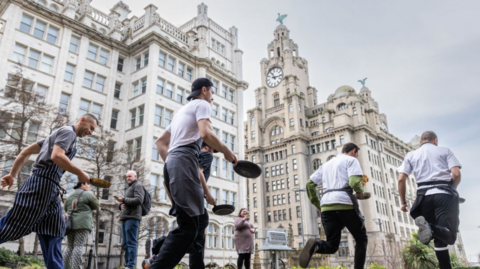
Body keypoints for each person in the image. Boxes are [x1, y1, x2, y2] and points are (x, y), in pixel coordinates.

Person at [153, 77, 237, 269]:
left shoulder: (181, 110)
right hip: (183, 163)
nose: (213, 99)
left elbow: (160, 143)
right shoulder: (201, 104)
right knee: (189, 228)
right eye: (213, 93)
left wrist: (173, 165)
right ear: (205, 90)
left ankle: (163, 251)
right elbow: (206, 134)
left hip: (173, 163)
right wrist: (226, 151)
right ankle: (157, 257)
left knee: (197, 222)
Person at [0, 114, 98, 269]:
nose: (91, 133)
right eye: (91, 128)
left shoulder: (57, 135)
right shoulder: (68, 132)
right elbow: (57, 156)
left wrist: (12, 174)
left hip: (50, 190)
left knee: (54, 230)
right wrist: (80, 173)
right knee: (14, 226)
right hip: (39, 187)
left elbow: (25, 152)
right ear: (83, 120)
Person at [143, 142, 217, 269]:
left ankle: (157, 254)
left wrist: (175, 204)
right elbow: (200, 172)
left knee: (195, 238)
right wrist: (208, 194)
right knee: (194, 237)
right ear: (207, 147)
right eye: (213, 150)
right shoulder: (205, 154)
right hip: (193, 200)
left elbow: (166, 182)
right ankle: (158, 245)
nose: (213, 153)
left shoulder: (180, 158)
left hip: (182, 198)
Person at [397, 131, 461, 269]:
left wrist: (403, 202)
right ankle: (430, 227)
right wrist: (452, 190)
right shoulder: (444, 151)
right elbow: (456, 174)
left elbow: (401, 179)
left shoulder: (411, 155)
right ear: (435, 141)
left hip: (423, 197)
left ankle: (430, 229)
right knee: (449, 236)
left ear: (421, 142)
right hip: (444, 194)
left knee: (439, 239)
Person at [300, 142, 368, 269]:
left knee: (332, 245)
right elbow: (354, 182)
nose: (357, 157)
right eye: (357, 154)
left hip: (326, 204)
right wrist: (360, 192)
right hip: (345, 202)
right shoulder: (351, 161)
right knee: (361, 239)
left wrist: (317, 203)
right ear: (354, 151)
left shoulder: (326, 165)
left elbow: (309, 184)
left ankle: (316, 245)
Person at [63, 181, 99, 269]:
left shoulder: (70, 196)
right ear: (82, 184)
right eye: (87, 184)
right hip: (82, 224)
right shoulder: (88, 194)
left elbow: (66, 208)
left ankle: (65, 267)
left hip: (70, 224)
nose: (88, 186)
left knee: (69, 246)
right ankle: (76, 267)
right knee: (78, 246)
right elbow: (96, 205)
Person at [115, 170, 145, 269]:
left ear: (135, 176)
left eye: (130, 176)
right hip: (125, 217)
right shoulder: (129, 187)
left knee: (131, 242)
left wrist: (123, 200)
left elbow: (139, 200)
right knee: (125, 243)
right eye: (127, 176)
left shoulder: (138, 185)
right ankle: (127, 265)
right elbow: (127, 202)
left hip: (132, 218)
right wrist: (121, 205)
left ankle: (130, 265)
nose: (128, 178)